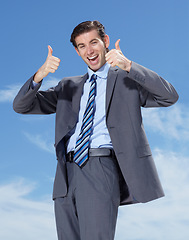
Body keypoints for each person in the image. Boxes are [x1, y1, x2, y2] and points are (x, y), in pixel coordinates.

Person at [13, 20, 179, 240]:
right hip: (64, 174)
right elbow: (21, 106)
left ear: (105, 42)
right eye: (82, 46)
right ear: (77, 51)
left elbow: (169, 96)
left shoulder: (126, 80)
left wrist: (129, 65)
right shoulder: (68, 85)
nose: (89, 50)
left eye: (93, 42)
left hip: (99, 166)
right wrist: (39, 75)